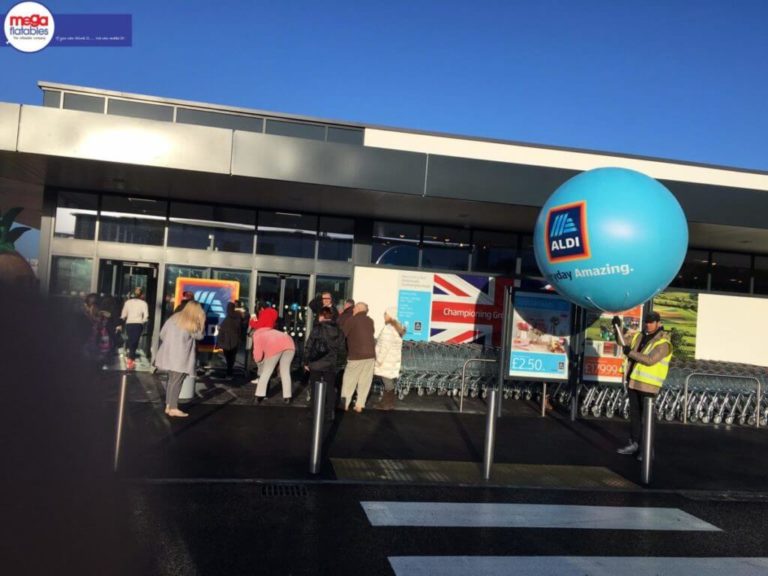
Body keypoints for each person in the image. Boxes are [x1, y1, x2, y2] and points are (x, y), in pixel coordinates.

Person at [614, 311, 672, 459]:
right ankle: (634, 444)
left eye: (651, 321)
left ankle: (647, 450)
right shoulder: (640, 336)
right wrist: (617, 327)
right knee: (635, 416)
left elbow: (650, 360)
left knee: (647, 419)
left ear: (658, 323)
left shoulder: (663, 343)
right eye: (647, 321)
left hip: (649, 386)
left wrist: (630, 353)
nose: (648, 324)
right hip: (633, 382)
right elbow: (622, 342)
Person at [154, 300, 206, 418]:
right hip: (181, 357)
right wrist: (202, 323)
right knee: (177, 382)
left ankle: (169, 405)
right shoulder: (191, 322)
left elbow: (162, 334)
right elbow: (200, 336)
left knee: (172, 381)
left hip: (169, 355)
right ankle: (173, 408)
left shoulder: (174, 317)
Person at [303, 306, 346, 432]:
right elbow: (342, 350)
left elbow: (309, 346)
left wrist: (306, 361)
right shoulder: (339, 331)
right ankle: (329, 413)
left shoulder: (317, 329)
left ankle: (314, 412)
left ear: (322, 316)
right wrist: (339, 363)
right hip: (331, 364)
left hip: (316, 363)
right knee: (330, 389)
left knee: (315, 387)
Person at [251, 306, 296, 403]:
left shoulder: (258, 333)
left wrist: (258, 360)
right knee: (285, 371)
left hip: (274, 346)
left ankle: (258, 396)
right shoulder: (274, 331)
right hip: (289, 343)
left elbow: (257, 355)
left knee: (266, 372)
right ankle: (287, 397)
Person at [340, 302, 376, 412]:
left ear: (359, 309)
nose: (353, 309)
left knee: (349, 380)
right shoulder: (370, 321)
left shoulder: (352, 319)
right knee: (364, 381)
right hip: (370, 355)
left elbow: (343, 334)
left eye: (355, 307)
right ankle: (360, 405)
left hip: (356, 355)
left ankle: (345, 404)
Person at [374, 306, 405, 410]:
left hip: (386, 360)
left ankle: (387, 404)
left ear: (390, 315)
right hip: (392, 360)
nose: (384, 316)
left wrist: (378, 361)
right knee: (388, 381)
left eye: (385, 314)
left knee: (387, 382)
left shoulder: (389, 329)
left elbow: (384, 347)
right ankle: (387, 403)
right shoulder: (397, 328)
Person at [118, 287, 149, 370]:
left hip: (129, 323)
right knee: (135, 341)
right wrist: (143, 323)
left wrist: (120, 323)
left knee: (132, 340)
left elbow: (123, 315)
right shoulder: (143, 303)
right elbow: (146, 316)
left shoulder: (128, 302)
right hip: (138, 324)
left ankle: (130, 357)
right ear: (142, 294)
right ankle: (131, 358)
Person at [217, 301, 245, 379]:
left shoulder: (229, 317)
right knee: (231, 358)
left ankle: (229, 373)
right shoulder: (238, 316)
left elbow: (224, 327)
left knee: (228, 357)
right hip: (234, 340)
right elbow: (239, 328)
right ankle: (229, 373)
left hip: (227, 340)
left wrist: (221, 328)